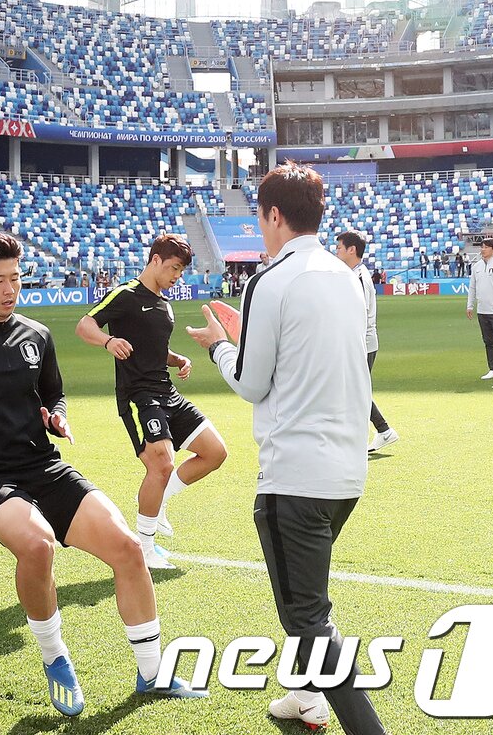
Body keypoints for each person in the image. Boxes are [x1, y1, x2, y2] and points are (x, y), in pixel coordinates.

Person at [0, 233, 205, 717]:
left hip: (45, 465)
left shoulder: (36, 335)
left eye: (16, 279)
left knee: (127, 548)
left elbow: (53, 394)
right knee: (37, 544)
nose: (9, 289)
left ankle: (152, 672)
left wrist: (56, 416)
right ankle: (55, 656)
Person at [186, 163, 386, 734]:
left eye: (259, 215)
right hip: (345, 473)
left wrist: (222, 346)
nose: (259, 224)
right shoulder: (345, 275)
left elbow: (252, 382)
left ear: (273, 216)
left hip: (294, 478)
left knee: (308, 618)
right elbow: (300, 354)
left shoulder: (269, 280)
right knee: (308, 600)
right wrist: (245, 336)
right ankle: (303, 697)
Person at [77, 234, 228, 569]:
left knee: (215, 452)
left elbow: (154, 349)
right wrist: (108, 341)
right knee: (161, 463)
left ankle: (158, 501)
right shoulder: (126, 294)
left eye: (181, 270)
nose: (177, 276)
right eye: (173, 268)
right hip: (138, 395)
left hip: (167, 391)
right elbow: (85, 324)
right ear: (155, 260)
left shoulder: (164, 304)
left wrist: (178, 360)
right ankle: (144, 549)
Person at [335, 231, 399, 453]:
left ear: (352, 250)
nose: (337, 252)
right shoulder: (355, 274)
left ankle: (381, 431)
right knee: (355, 389)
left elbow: (360, 314)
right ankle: (381, 431)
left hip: (362, 342)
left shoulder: (358, 277)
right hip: (361, 341)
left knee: (355, 390)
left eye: (339, 248)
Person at [467, 238, 493, 382]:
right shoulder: (477, 266)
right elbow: (472, 287)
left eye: (485, 247)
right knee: (488, 341)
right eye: (481, 247)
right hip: (482, 310)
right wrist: (470, 305)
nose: (482, 250)